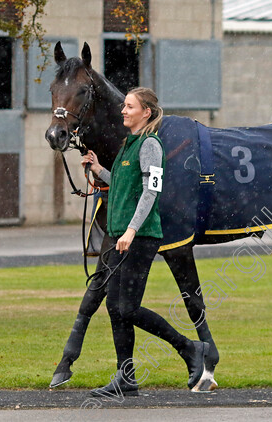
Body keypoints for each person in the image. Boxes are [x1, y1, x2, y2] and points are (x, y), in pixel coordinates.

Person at [80, 87, 209, 397]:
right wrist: (99, 170)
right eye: (124, 106)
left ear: (146, 112)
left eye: (129, 106)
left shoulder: (150, 144)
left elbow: (151, 191)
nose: (123, 111)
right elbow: (125, 182)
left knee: (128, 307)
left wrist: (131, 231)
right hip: (122, 237)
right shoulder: (130, 144)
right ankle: (126, 377)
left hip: (140, 238)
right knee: (115, 306)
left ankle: (190, 348)